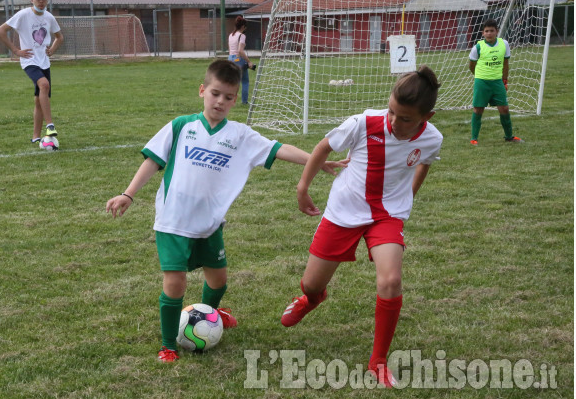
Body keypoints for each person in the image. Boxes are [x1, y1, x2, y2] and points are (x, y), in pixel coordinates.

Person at [106, 60, 347, 363]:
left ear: (235, 99)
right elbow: (153, 161)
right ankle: (168, 344)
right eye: (215, 94)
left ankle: (210, 312)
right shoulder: (181, 126)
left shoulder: (240, 135)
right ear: (202, 91)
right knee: (175, 283)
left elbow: (277, 148)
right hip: (172, 223)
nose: (220, 101)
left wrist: (317, 161)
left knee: (218, 280)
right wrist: (128, 193)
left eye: (228, 97)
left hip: (209, 226)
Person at [280, 66, 443, 388]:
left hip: (387, 215)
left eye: (406, 119)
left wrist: (408, 196)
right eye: (392, 111)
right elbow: (323, 148)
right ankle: (312, 300)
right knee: (310, 285)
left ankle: (378, 361)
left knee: (391, 280)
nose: (395, 122)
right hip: (344, 210)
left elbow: (425, 162)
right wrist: (302, 188)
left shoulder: (432, 138)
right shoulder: (363, 123)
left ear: (427, 116)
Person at [0, 0, 64, 144]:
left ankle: (35, 136)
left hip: (44, 62)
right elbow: (0, 31)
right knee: (44, 85)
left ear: (47, 0)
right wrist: (15, 50)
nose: (41, 1)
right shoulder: (23, 15)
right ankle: (50, 125)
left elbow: (59, 37)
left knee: (39, 100)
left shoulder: (49, 17)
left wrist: (52, 49)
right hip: (29, 60)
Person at [468, 19, 522, 145]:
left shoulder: (504, 44)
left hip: (498, 82)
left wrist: (505, 80)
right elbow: (471, 65)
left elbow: (506, 64)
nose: (489, 33)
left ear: (496, 31)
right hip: (482, 82)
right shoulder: (478, 47)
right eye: (486, 31)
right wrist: (479, 76)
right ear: (483, 33)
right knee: (478, 109)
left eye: (492, 31)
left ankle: (509, 136)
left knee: (504, 108)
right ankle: (474, 138)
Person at [228, 15, 256, 105]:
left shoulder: (231, 35)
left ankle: (229, 100)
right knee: (245, 81)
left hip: (230, 58)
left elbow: (230, 50)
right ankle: (244, 101)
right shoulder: (242, 36)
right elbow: (240, 51)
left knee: (233, 81)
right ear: (243, 26)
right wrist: (249, 62)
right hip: (238, 59)